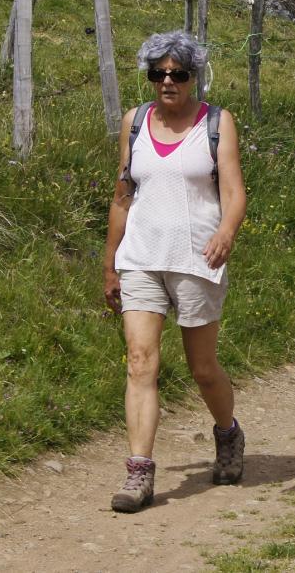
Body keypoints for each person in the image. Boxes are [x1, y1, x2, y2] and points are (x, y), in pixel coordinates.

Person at [102, 30, 248, 513]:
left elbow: (233, 192)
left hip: (195, 259)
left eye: (178, 73)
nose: (168, 82)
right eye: (159, 73)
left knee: (202, 369)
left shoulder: (216, 123)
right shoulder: (135, 122)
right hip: (141, 257)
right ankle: (139, 473)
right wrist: (110, 263)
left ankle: (227, 433)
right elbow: (123, 195)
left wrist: (226, 232)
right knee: (140, 362)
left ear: (193, 77)